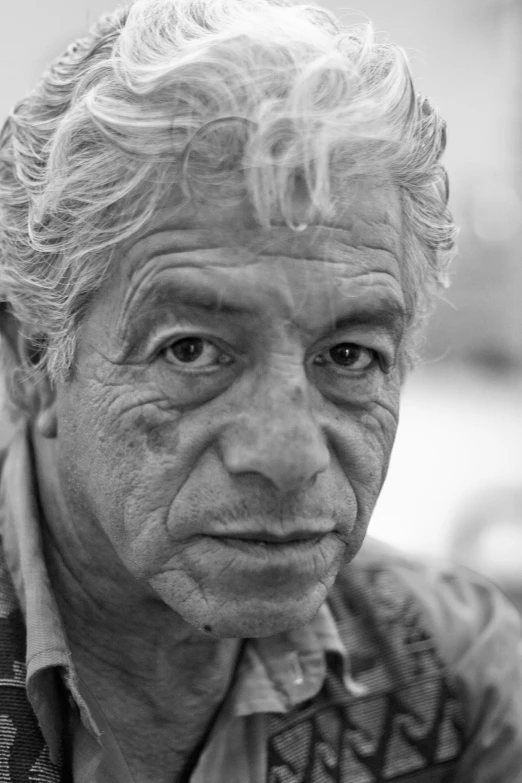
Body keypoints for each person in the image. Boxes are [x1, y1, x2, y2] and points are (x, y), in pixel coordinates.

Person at [0, 0, 521, 780]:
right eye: (192, 349)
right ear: (33, 357)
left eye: (348, 353)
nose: (287, 454)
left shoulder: (460, 677)